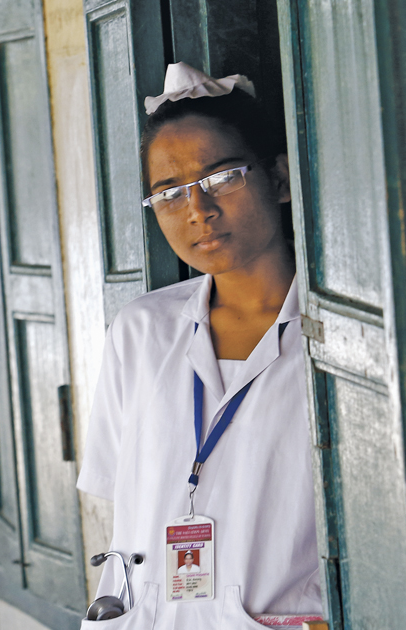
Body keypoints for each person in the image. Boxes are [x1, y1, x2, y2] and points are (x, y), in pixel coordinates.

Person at [76, 63, 323, 628]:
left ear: (279, 180)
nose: (197, 211)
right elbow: (119, 492)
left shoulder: (331, 337)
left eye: (222, 178)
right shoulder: (140, 331)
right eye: (170, 193)